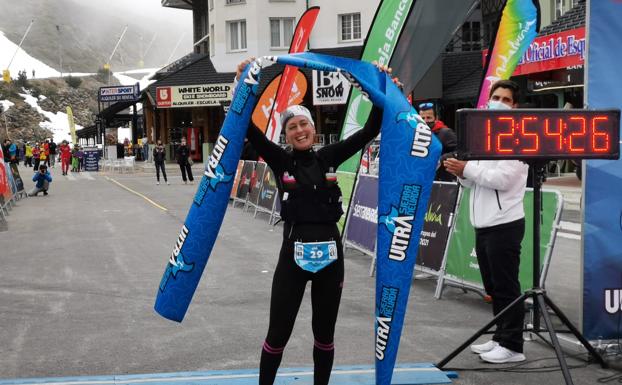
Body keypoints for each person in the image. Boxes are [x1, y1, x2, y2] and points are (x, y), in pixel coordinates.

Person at [235, 58, 394, 385]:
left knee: (324, 334)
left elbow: (370, 130)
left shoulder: (329, 156)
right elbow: (248, 128)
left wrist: (380, 86)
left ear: (312, 128)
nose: (299, 131)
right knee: (278, 333)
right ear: (287, 135)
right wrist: (242, 88)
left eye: (303, 125)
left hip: (331, 261)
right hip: (292, 259)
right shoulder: (280, 160)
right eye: (292, 127)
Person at [443, 79, 528, 364]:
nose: (499, 102)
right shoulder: (484, 135)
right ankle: (501, 337)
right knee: (493, 287)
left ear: (514, 106)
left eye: (506, 99)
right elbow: (475, 183)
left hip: (505, 222)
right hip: (484, 222)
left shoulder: (517, 136)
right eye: (496, 97)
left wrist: (468, 168)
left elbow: (503, 180)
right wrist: (461, 172)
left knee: (506, 286)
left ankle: (514, 345)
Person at [418, 102, 457, 181]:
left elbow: (460, 151)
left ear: (436, 118)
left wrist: (440, 160)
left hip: (443, 182)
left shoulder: (445, 133)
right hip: (424, 180)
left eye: (429, 118)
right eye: (422, 118)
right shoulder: (417, 134)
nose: (425, 121)